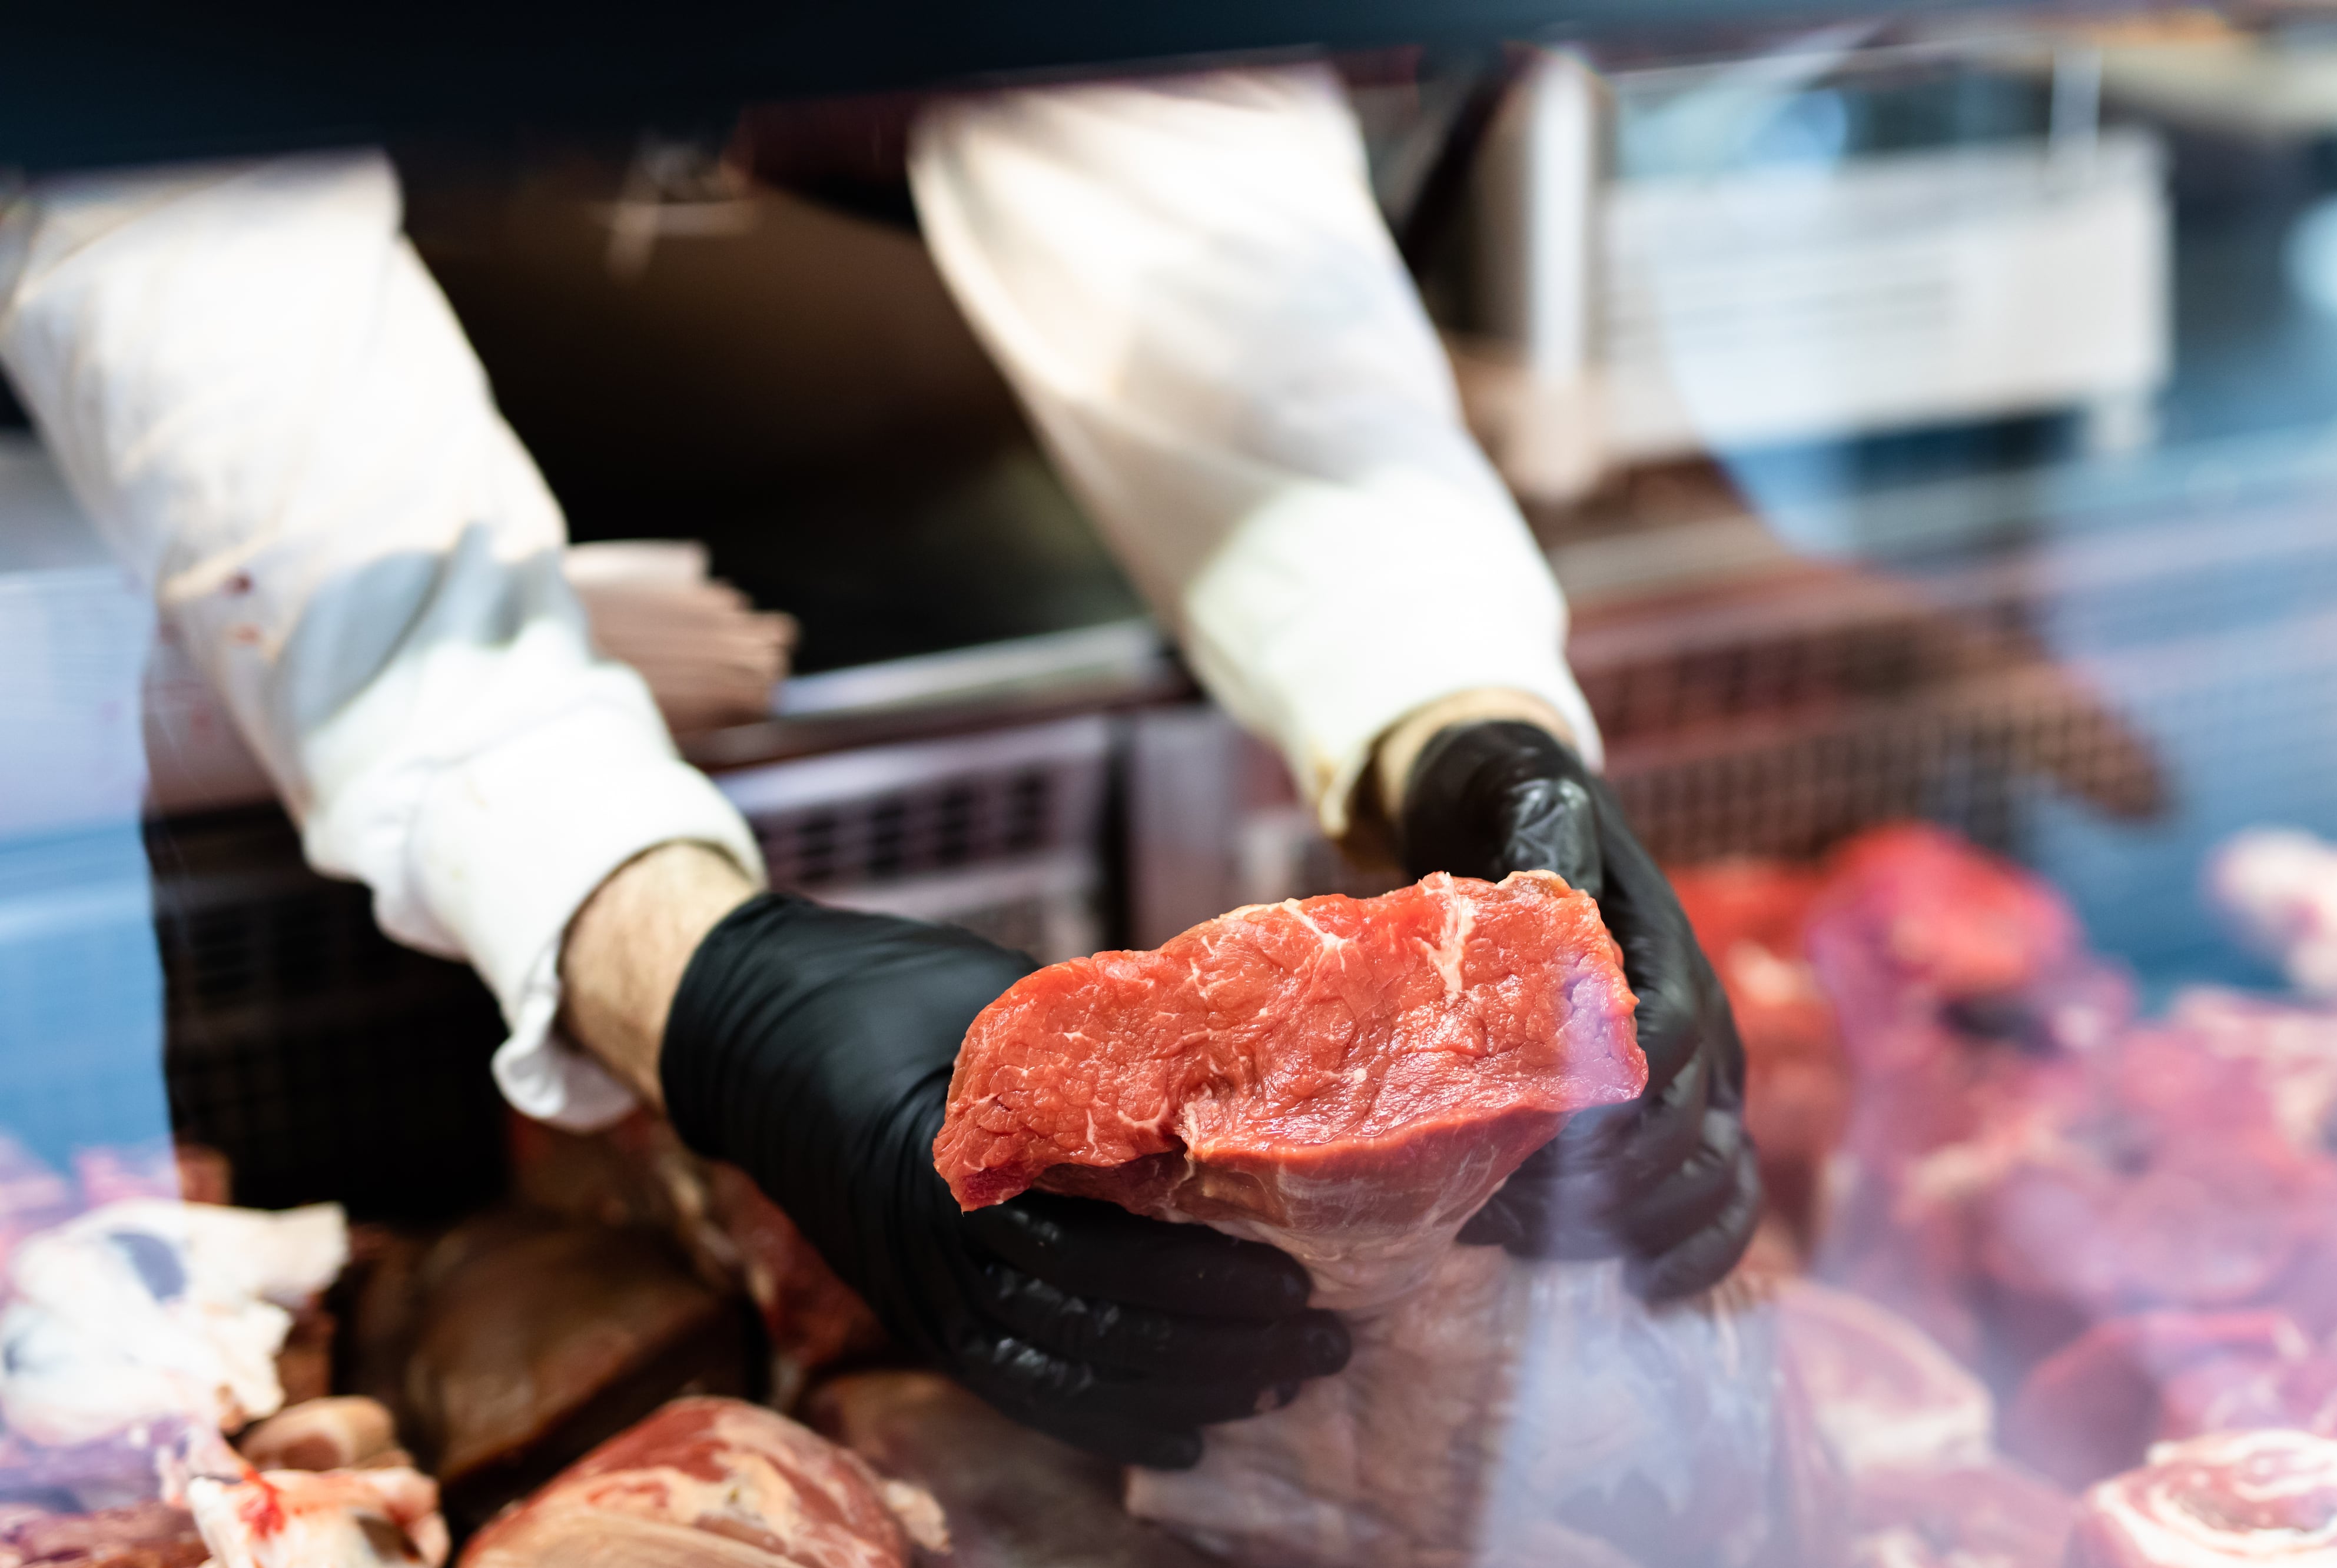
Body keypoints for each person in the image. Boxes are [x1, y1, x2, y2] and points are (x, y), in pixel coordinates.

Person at [0, 68, 1760, 1470]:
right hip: (255, 554)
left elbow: (1153, 101)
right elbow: (179, 234)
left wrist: (1447, 702)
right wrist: (673, 962)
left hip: (912, 456)